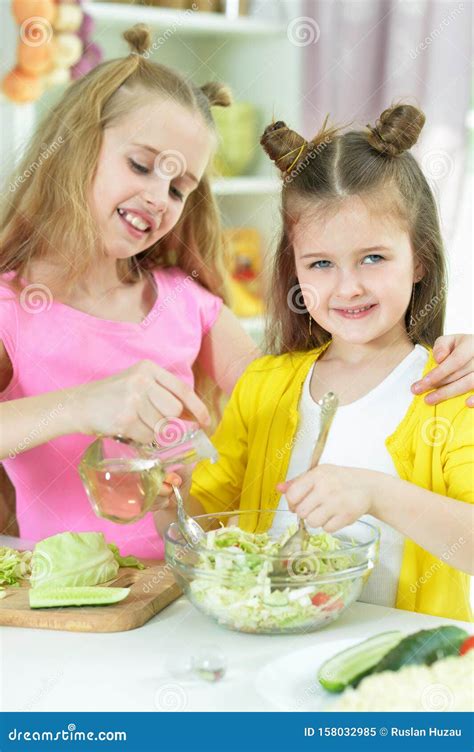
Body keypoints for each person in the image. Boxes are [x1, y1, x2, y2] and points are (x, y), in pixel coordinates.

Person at [189, 104, 473, 620]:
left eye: (374, 257)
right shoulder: (263, 386)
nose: (348, 287)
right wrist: (161, 484)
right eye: (321, 263)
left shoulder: (449, 392)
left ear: (420, 261)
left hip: (398, 671)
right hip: (267, 646)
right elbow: (205, 518)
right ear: (295, 272)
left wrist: (375, 493)